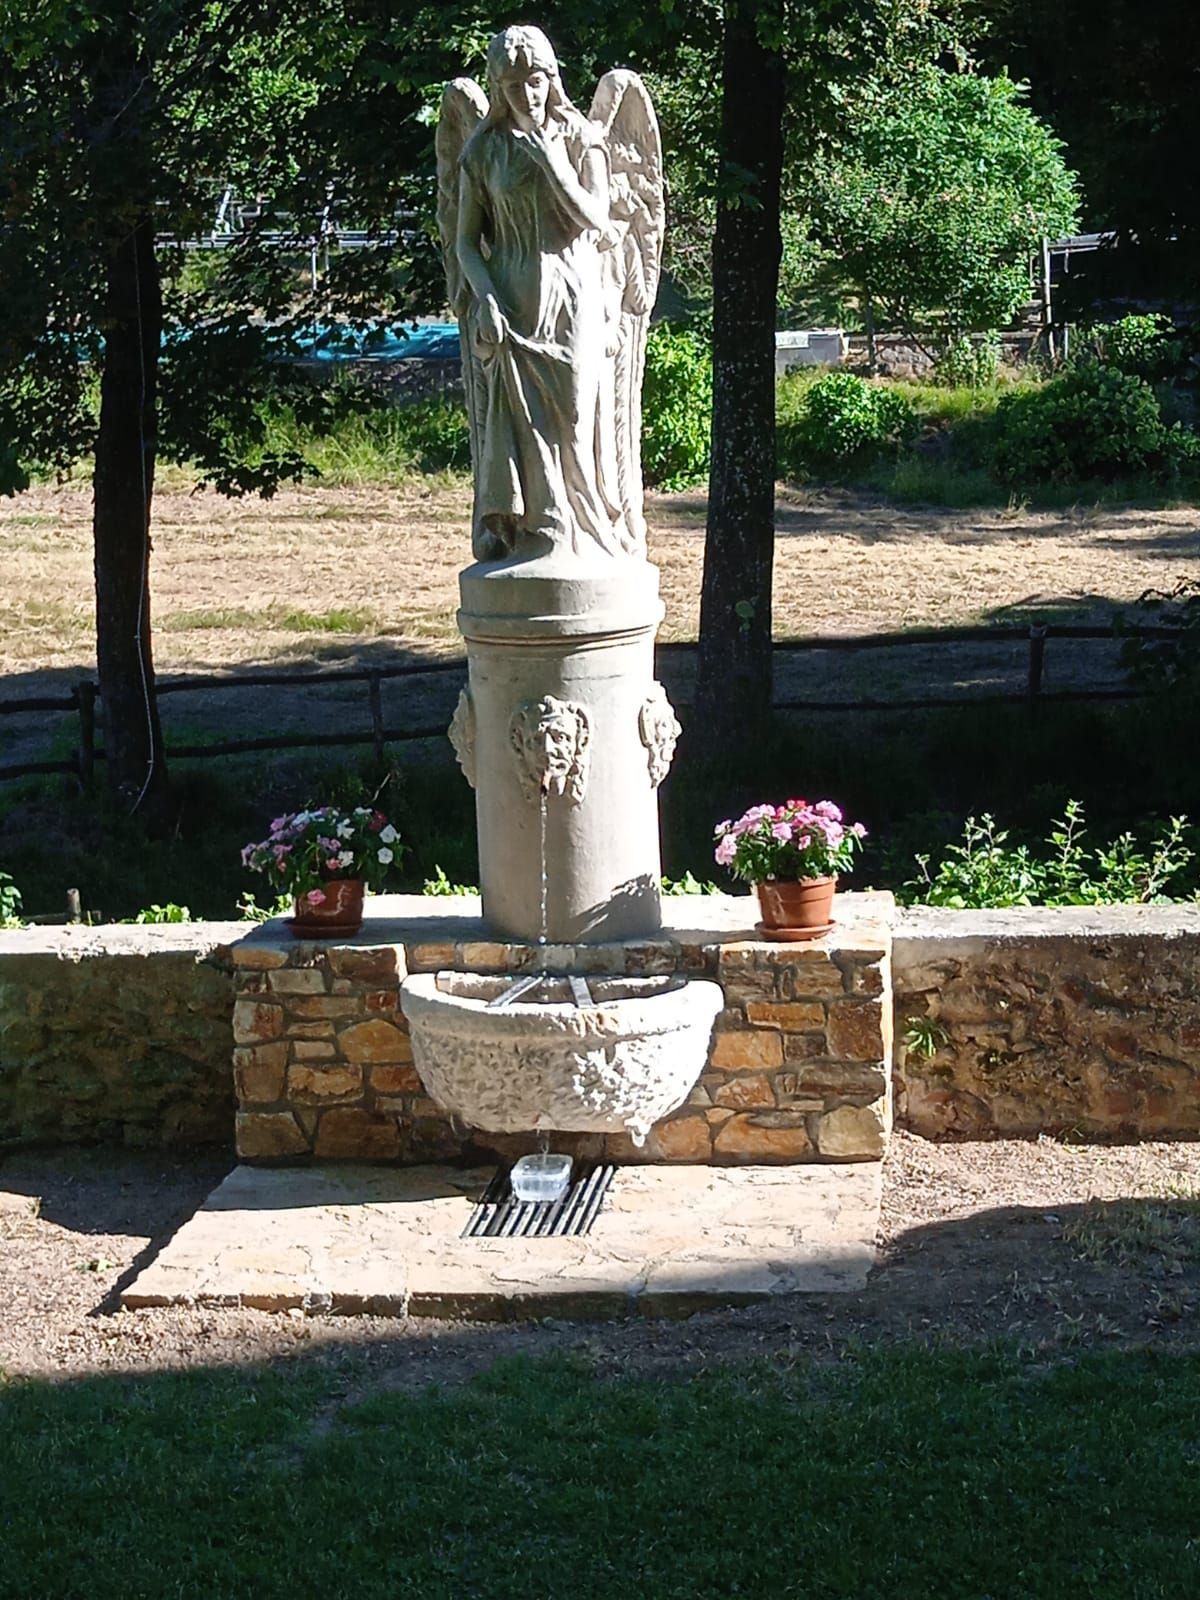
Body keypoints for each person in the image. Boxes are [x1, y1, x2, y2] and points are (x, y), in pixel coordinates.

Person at [455, 25, 632, 562]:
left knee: (575, 414)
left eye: (534, 81)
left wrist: (551, 159)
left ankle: (586, 533)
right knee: (522, 420)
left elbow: (596, 218)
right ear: (499, 89)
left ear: (551, 79)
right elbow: (465, 243)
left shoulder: (580, 139)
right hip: (511, 293)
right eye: (512, 86)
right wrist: (483, 295)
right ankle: (539, 533)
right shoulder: (483, 151)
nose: (526, 94)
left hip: (574, 289)